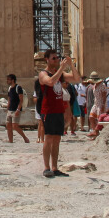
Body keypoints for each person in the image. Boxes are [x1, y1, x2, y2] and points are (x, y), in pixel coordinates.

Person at [37, 49, 79, 177]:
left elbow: (77, 79)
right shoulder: (43, 74)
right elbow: (50, 82)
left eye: (57, 58)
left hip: (59, 109)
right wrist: (61, 69)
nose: (56, 60)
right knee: (48, 138)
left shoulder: (60, 74)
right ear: (47, 60)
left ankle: (55, 167)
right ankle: (46, 167)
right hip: (48, 110)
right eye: (53, 58)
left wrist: (71, 65)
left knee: (57, 139)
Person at [5, 74, 29, 143]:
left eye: (8, 79)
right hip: (10, 110)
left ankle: (25, 138)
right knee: (8, 126)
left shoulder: (18, 88)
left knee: (15, 126)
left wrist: (18, 109)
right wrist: (7, 108)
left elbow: (21, 100)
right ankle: (10, 141)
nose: (7, 81)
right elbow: (9, 99)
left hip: (16, 110)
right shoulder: (9, 88)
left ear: (12, 80)